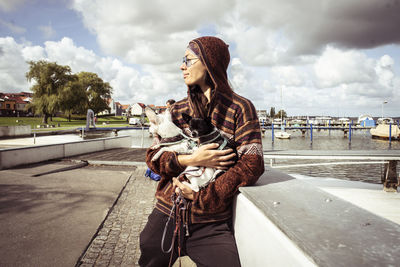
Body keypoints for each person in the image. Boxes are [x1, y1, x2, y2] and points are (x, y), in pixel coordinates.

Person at [139, 36, 264, 267]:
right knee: (149, 250)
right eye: (182, 60)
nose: (181, 66)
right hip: (168, 212)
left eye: (188, 60)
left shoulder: (240, 108)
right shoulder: (177, 110)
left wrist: (201, 197)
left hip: (211, 222)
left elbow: (252, 164)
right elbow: (153, 158)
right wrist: (191, 158)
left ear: (209, 63)